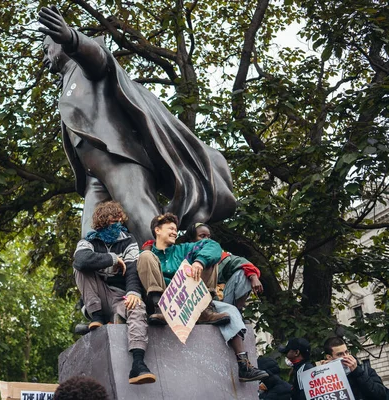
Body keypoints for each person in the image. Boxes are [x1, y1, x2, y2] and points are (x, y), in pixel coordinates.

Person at [37, 6, 236, 245]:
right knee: (90, 239)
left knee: (141, 216)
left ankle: (165, 271)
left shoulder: (84, 68)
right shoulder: (68, 82)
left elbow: (98, 59)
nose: (45, 57)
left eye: (46, 49)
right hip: (94, 176)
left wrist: (72, 38)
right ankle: (103, 280)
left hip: (118, 158)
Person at [136, 212, 269, 382]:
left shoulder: (184, 249)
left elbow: (213, 246)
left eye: (176, 229)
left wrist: (199, 261)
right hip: (163, 304)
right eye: (170, 228)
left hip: (194, 301)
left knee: (231, 311)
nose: (175, 232)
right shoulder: (147, 253)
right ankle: (162, 308)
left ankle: (243, 363)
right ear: (157, 230)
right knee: (145, 257)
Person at [73, 201, 156, 385]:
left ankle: (138, 363)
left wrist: (134, 292)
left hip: (121, 295)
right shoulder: (88, 241)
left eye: (120, 221)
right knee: (79, 268)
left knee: (137, 307)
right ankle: (97, 316)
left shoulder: (128, 240)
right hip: (99, 296)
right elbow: (80, 260)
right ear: (102, 222)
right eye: (113, 221)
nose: (117, 224)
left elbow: (133, 268)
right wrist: (112, 259)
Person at [185, 222, 263, 310]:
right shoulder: (183, 257)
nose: (207, 240)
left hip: (221, 302)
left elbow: (241, 262)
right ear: (191, 240)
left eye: (209, 236)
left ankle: (237, 311)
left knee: (244, 273)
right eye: (202, 236)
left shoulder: (219, 256)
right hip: (193, 305)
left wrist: (253, 276)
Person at [322, 336, 388, 400]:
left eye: (346, 352)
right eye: (340, 354)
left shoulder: (365, 370)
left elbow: (381, 395)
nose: (345, 356)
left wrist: (357, 371)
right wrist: (325, 373)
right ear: (329, 357)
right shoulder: (326, 378)